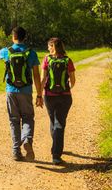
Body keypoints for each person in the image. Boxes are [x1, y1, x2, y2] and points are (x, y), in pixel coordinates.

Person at [0, 27, 43, 161]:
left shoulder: (6, 52)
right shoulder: (31, 53)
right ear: (24, 37)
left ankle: (16, 151)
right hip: (26, 91)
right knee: (28, 118)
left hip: (11, 91)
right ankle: (26, 140)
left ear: (13, 37)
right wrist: (39, 95)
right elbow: (36, 76)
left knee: (14, 121)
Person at [42, 37, 76, 165]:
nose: (48, 49)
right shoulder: (68, 60)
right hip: (65, 96)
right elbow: (73, 80)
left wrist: (39, 94)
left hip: (49, 96)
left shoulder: (47, 59)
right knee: (59, 123)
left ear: (53, 47)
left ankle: (56, 147)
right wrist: (66, 89)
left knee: (53, 121)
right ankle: (56, 154)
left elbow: (43, 78)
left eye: (49, 46)